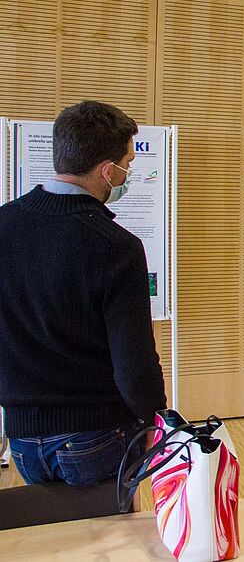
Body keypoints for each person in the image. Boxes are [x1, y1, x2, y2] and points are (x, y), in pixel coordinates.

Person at [0, 101, 166, 487]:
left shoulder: (3, 225)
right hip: (98, 433)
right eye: (128, 162)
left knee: (57, 542)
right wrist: (157, 421)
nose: (128, 173)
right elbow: (135, 364)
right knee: (112, 540)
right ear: (108, 171)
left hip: (22, 438)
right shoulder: (115, 246)